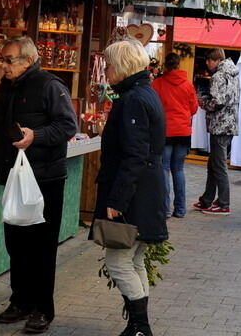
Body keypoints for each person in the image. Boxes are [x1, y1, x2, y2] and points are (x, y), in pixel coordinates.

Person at [0, 37, 78, 333]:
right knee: (16, 242)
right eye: (2, 59)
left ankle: (42, 308)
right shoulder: (5, 88)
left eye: (9, 60)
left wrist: (35, 136)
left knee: (41, 246)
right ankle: (20, 301)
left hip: (45, 178)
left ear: (28, 60)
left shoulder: (49, 86)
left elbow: (68, 126)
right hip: (14, 176)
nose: (4, 66)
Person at [93, 39, 167, 336]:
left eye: (109, 65)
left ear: (122, 66)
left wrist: (118, 199)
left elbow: (135, 154)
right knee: (133, 259)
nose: (106, 71)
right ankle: (138, 326)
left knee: (119, 261)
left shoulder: (134, 99)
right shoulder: (144, 93)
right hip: (147, 191)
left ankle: (140, 327)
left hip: (135, 194)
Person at [151, 52, 198, 218]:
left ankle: (165, 209)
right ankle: (180, 209)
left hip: (165, 131)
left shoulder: (157, 84)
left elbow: (153, 107)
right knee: (178, 169)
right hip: (183, 131)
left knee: (164, 169)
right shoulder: (188, 85)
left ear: (166, 65)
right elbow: (194, 108)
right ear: (179, 65)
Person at [194, 48, 240, 215]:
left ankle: (223, 203)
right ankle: (207, 199)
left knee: (218, 165)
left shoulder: (219, 76)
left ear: (216, 60)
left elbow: (217, 102)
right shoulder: (233, 74)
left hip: (219, 125)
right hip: (229, 123)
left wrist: (204, 103)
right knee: (213, 163)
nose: (207, 64)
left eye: (208, 60)